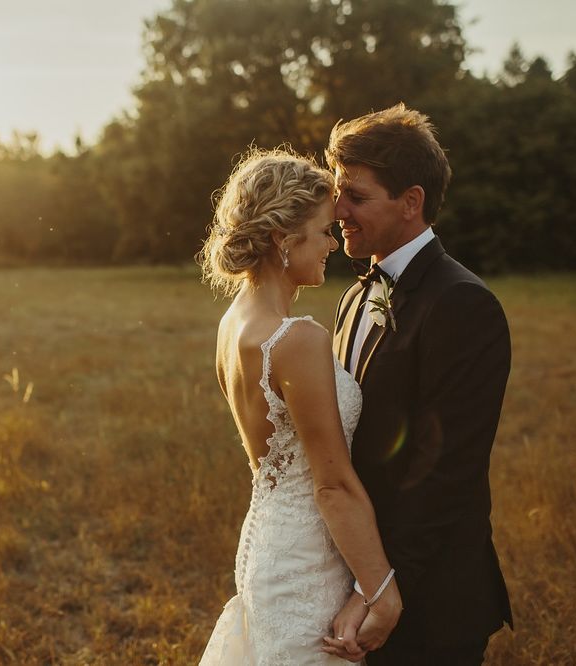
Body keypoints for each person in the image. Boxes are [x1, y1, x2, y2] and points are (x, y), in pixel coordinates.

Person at [197, 147, 402, 665]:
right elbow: (330, 484)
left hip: (266, 545)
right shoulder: (297, 338)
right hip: (308, 562)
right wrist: (382, 592)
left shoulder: (232, 326)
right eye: (322, 231)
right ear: (282, 240)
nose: (333, 243)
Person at [325, 104, 512, 665]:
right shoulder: (355, 294)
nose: (337, 210)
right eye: (338, 194)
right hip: (361, 573)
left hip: (429, 597)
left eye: (355, 196)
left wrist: (376, 590)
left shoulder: (462, 303)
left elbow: (445, 473)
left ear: (411, 202)